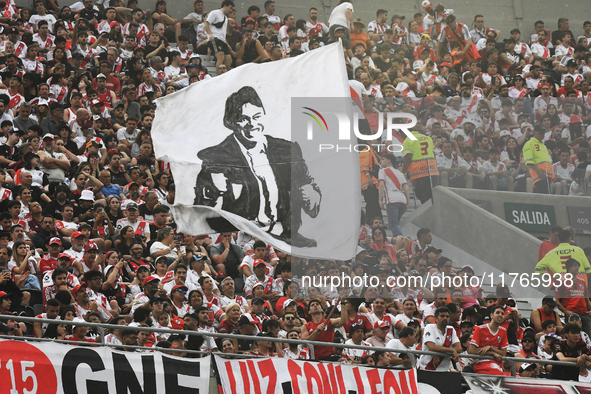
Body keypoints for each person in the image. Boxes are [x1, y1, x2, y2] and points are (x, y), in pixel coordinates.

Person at [193, 86, 321, 248]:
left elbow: (312, 207)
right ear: (232, 122)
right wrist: (218, 196)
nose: (252, 124)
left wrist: (312, 195)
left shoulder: (288, 150)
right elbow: (202, 213)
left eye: (257, 116)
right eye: (244, 119)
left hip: (285, 237)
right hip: (242, 238)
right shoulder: (215, 158)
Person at [417, 307, 461, 371]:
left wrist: (438, 352)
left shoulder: (451, 329)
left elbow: (459, 348)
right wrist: (451, 350)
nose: (445, 318)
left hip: (444, 370)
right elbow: (431, 347)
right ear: (436, 318)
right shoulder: (429, 327)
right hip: (427, 368)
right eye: (442, 316)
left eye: (447, 316)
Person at [402, 131, 439, 203]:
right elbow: (433, 153)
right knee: (432, 195)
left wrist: (403, 172)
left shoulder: (408, 140)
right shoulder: (428, 138)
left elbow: (408, 156)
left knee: (422, 195)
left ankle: (427, 213)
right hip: (432, 170)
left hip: (419, 172)